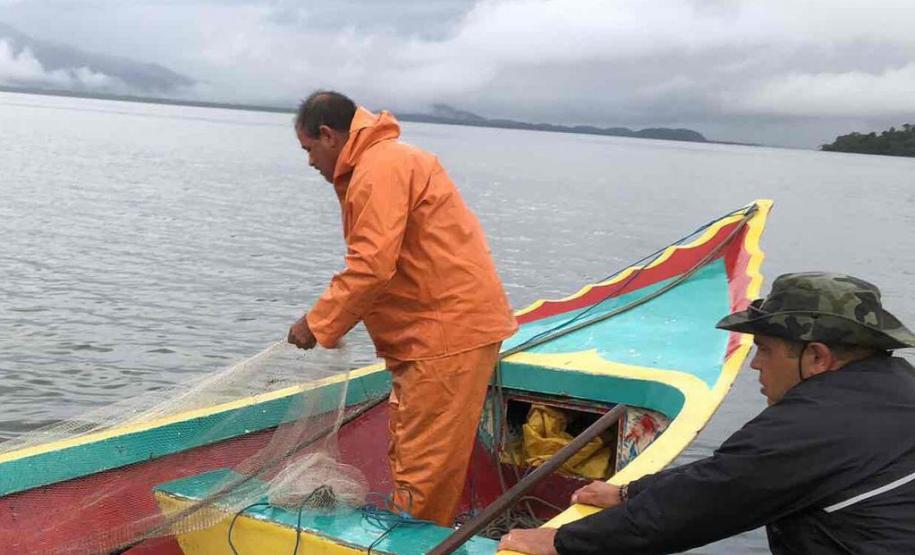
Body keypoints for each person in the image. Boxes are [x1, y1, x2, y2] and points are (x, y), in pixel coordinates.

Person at [500, 272, 915, 554]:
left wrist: (560, 542)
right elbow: (729, 474)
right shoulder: (895, 389)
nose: (755, 365)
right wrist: (630, 492)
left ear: (818, 357)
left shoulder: (816, 423)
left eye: (765, 350)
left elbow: (698, 507)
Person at [285, 91, 517, 526]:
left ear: (329, 135)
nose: (310, 162)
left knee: (423, 471)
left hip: (446, 335)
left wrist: (316, 323)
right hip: (432, 334)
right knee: (416, 453)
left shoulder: (381, 168)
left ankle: (414, 542)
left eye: (308, 149)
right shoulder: (384, 162)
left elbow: (372, 265)